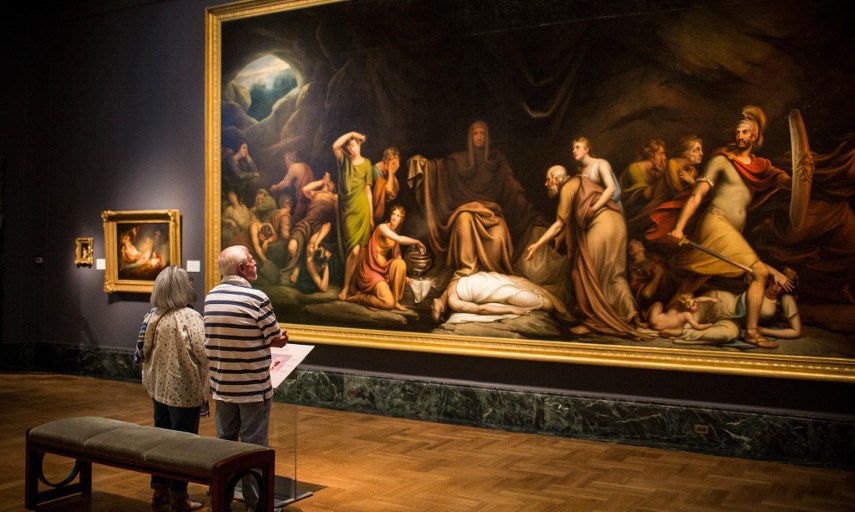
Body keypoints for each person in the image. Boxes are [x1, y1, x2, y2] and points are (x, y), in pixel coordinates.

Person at [662, 105, 793, 348]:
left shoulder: (761, 166)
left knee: (697, 277)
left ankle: (664, 319)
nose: (739, 137)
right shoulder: (722, 160)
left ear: (754, 137)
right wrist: (679, 226)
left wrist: (800, 179)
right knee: (760, 273)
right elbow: (697, 196)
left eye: (745, 133)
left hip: (731, 231)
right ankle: (752, 332)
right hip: (716, 222)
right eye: (737, 132)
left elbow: (785, 182)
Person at [204, 246, 288, 512]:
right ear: (242, 268)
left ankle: (224, 497)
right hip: (252, 387)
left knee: (224, 443)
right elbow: (275, 337)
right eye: (252, 260)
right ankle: (257, 502)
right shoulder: (257, 298)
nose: (256, 263)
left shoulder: (211, 296)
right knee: (254, 448)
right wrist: (281, 338)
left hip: (222, 385)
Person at [407, 120, 545, 278]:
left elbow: (512, 189)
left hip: (492, 214)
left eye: (482, 133)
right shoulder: (459, 161)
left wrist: (529, 212)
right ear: (470, 137)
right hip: (467, 212)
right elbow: (441, 169)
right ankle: (467, 270)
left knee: (499, 236)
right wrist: (425, 166)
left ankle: (491, 276)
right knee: (463, 219)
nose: (478, 137)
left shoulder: (497, 161)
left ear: (487, 137)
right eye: (475, 133)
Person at [525, 165, 646, 338]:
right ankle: (632, 316)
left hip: (602, 226)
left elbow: (560, 223)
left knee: (582, 273)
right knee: (613, 275)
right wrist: (563, 235)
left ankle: (593, 323)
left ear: (557, 179)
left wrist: (537, 244)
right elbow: (576, 217)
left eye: (548, 179)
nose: (546, 184)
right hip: (617, 224)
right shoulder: (581, 181)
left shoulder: (567, 187)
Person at [138, 266, 208, 512]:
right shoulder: (189, 317)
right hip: (184, 391)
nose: (191, 284)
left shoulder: (153, 314)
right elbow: (204, 353)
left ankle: (160, 492)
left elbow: (141, 351)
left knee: (162, 439)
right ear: (180, 288)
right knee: (182, 445)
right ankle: (180, 497)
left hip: (158, 387)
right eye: (188, 281)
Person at [347, 205, 425, 310]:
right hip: (371, 269)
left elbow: (397, 256)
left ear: (401, 220)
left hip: (383, 269)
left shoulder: (394, 234)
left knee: (401, 263)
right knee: (388, 304)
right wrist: (417, 242)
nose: (395, 217)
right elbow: (399, 239)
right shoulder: (382, 228)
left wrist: (404, 276)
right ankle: (361, 297)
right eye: (394, 214)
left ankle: (395, 300)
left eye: (398, 216)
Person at [430, 271, 571, 324]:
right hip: (501, 291)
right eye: (434, 311)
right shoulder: (453, 302)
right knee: (547, 304)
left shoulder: (450, 284)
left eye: (432, 310)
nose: (431, 307)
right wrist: (512, 310)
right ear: (442, 309)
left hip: (496, 279)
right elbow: (482, 309)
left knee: (526, 283)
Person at [630, 136, 704, 237]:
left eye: (701, 150)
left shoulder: (692, 171)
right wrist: (692, 183)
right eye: (697, 150)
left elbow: (699, 192)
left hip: (674, 209)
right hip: (657, 207)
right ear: (686, 153)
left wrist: (691, 181)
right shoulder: (672, 164)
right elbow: (676, 191)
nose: (701, 154)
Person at [333, 131, 374, 300]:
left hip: (363, 210)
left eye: (354, 143)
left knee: (360, 251)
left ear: (360, 145)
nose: (351, 147)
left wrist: (371, 216)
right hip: (348, 211)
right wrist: (350, 134)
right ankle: (345, 286)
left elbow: (368, 191)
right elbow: (335, 146)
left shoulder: (367, 164)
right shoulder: (344, 161)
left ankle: (352, 286)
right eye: (349, 145)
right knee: (354, 251)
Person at [283, 172, 338, 286]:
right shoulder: (315, 194)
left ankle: (301, 270)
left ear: (334, 188)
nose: (330, 183)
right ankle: (298, 266)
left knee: (312, 248)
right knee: (292, 247)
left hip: (322, 224)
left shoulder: (335, 197)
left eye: (332, 183)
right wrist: (322, 182)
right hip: (307, 222)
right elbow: (305, 189)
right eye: (329, 182)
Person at [571, 137, 623, 213]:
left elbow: (611, 188)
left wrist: (593, 209)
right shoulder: (580, 171)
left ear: (586, 150)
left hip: (610, 208)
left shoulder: (601, 164)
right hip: (593, 210)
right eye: (573, 148)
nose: (574, 151)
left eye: (577, 147)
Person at [619, 139, 667, 220]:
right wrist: (663, 176)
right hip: (627, 208)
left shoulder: (654, 170)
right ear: (651, 155)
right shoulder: (635, 168)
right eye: (661, 153)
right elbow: (645, 195)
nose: (664, 157)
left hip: (641, 207)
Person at [271, 151, 314, 222]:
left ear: (289, 159)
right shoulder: (304, 165)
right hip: (310, 196)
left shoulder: (293, 167)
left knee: (297, 219)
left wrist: (275, 187)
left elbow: (285, 183)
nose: (285, 163)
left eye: (286, 160)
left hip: (305, 198)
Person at [646, 293, 719, 333]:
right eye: (693, 305)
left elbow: (698, 299)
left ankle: (647, 320)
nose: (696, 304)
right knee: (659, 303)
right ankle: (646, 318)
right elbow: (697, 327)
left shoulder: (680, 306)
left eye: (695, 302)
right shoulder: (687, 314)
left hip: (655, 320)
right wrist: (709, 325)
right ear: (686, 308)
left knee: (658, 304)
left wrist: (711, 299)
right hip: (658, 327)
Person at [372, 147, 401, 225]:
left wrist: (392, 173)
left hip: (384, 213)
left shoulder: (386, 171)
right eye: (393, 163)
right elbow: (388, 190)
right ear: (387, 161)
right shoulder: (374, 171)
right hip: (373, 213)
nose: (396, 166)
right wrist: (391, 172)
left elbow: (396, 189)